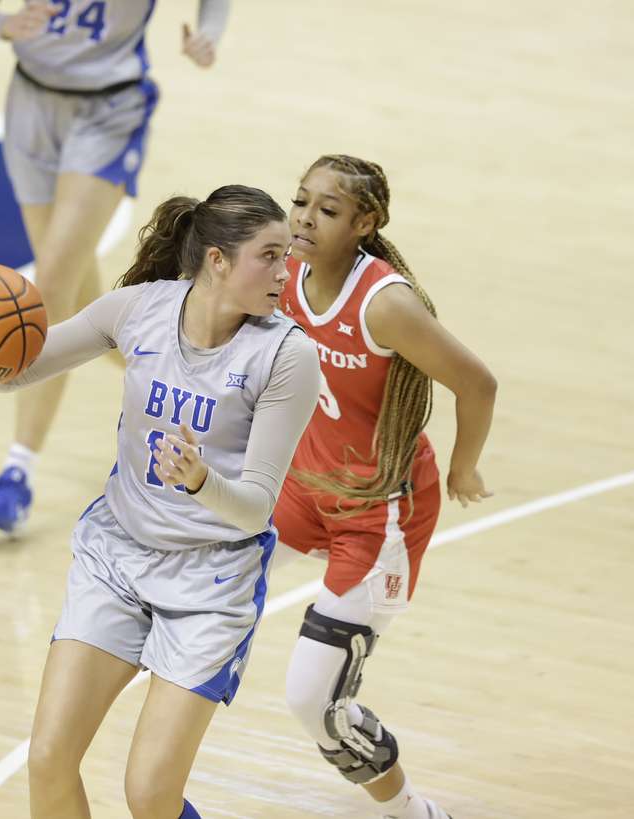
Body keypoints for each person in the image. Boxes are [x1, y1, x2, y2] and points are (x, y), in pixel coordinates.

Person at [0, 184, 320, 818]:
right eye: (268, 255)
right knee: (48, 760)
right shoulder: (137, 310)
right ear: (217, 259)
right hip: (117, 558)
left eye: (285, 256)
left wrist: (200, 482)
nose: (285, 270)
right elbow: (17, 367)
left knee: (149, 794)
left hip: (211, 581)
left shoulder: (287, 355)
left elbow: (255, 509)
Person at [273, 154, 498, 819]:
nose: (306, 218)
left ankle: (412, 811)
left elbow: (478, 383)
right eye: (301, 201)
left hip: (378, 513)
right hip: (302, 485)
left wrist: (464, 466)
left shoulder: (385, 305)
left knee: (311, 702)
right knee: (195, 566)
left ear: (364, 223)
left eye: (329, 210)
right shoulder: (284, 270)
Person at [0, 0, 231, 533]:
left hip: (110, 111)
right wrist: (4, 26)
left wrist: (209, 34)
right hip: (31, 106)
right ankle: (202, 393)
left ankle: (17, 473)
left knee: (51, 287)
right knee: (83, 306)